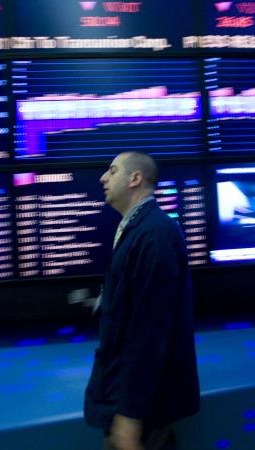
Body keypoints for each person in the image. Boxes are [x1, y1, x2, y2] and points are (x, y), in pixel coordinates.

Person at [84, 152, 200, 450]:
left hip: (142, 408)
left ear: (135, 179)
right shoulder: (139, 229)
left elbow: (150, 330)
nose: (103, 178)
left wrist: (130, 415)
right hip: (134, 398)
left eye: (112, 171)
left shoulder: (154, 234)